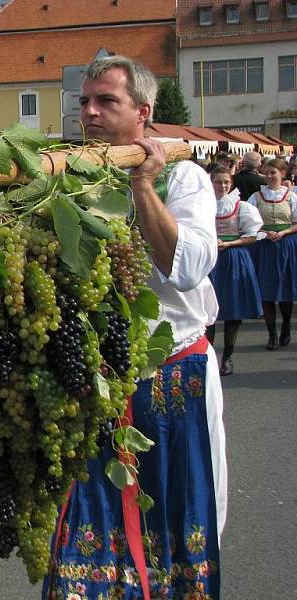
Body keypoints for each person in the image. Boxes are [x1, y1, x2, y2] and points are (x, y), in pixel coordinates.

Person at [45, 56, 225, 598]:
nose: (91, 113)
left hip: (174, 379)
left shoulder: (182, 175)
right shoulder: (67, 177)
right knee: (86, 526)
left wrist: (143, 185)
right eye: (84, 102)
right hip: (94, 382)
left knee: (179, 515)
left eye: (107, 102)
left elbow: (189, 267)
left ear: (143, 112)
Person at [206, 166, 263, 375]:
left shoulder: (242, 207)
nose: (222, 186)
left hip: (234, 258)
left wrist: (230, 244)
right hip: (210, 260)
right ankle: (209, 356)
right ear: (211, 184)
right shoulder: (203, 206)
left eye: (226, 182)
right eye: (218, 182)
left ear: (231, 184)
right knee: (208, 311)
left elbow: (252, 236)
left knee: (232, 309)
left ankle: (228, 357)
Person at [246, 157, 297, 350]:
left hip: (286, 244)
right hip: (264, 246)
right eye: (266, 173)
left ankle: (285, 325)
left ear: (282, 174)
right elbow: (249, 224)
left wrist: (283, 232)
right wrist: (264, 232)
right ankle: (272, 334)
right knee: (266, 291)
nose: (268, 176)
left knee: (285, 290)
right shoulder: (256, 197)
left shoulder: (291, 197)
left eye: (272, 173)